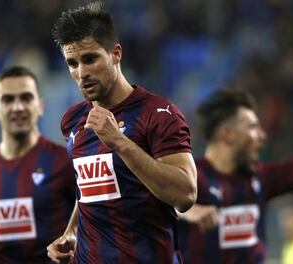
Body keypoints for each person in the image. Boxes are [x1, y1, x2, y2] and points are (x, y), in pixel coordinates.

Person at [46, 2, 197, 263]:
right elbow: (88, 188)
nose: (82, 73)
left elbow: (185, 195)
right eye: (72, 63)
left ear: (115, 54)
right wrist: (72, 230)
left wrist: (120, 143)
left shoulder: (158, 113)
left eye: (90, 59)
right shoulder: (72, 121)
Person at [177, 66, 293, 264]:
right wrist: (181, 208)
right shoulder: (190, 177)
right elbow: (144, 198)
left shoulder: (260, 177)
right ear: (227, 134)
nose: (262, 135)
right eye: (252, 127)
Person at [0, 66, 76, 264]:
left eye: (26, 98)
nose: (18, 107)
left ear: (40, 106)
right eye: (8, 99)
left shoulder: (66, 162)